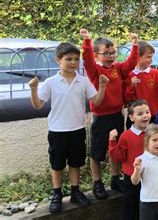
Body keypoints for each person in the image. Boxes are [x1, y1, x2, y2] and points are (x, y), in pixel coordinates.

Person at [29, 42, 109, 213]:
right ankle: (57, 194)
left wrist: (102, 87)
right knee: (57, 164)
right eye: (69, 59)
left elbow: (96, 101)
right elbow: (37, 105)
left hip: (77, 129)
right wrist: (34, 90)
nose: (73, 62)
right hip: (57, 130)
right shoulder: (51, 82)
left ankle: (75, 191)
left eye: (76, 59)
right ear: (58, 60)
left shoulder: (83, 81)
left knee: (76, 162)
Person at [80, 28, 139, 198]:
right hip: (100, 117)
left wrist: (134, 46)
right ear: (97, 55)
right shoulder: (94, 70)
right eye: (106, 53)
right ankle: (97, 183)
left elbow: (130, 64)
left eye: (113, 53)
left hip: (116, 114)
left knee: (116, 149)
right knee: (97, 152)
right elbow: (88, 61)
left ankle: (115, 177)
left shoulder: (118, 68)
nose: (110, 56)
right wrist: (87, 42)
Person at [109, 99, 152, 220]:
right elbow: (118, 157)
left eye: (147, 112)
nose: (145, 116)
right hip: (131, 176)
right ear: (132, 118)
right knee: (131, 206)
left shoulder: (153, 132)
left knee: (147, 206)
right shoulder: (126, 135)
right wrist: (112, 141)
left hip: (150, 175)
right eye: (140, 114)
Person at [131, 124, 158, 220]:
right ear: (147, 141)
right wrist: (137, 170)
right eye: (155, 140)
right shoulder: (141, 159)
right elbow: (134, 181)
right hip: (147, 200)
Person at [124, 41, 158, 116]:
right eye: (148, 57)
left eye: (152, 57)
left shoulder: (155, 73)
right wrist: (132, 86)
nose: (151, 60)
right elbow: (127, 99)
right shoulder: (130, 75)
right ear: (138, 57)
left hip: (153, 115)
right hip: (136, 117)